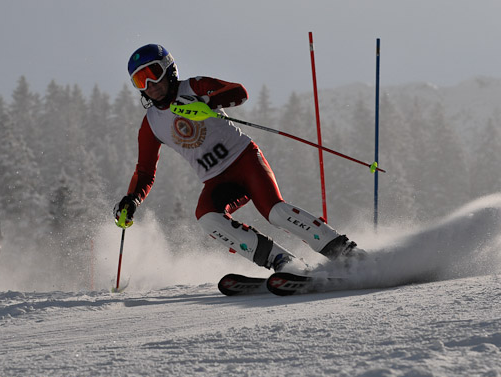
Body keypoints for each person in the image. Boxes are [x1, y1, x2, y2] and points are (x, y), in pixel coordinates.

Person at [114, 44, 362, 272]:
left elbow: (239, 92)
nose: (151, 84)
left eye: (154, 73)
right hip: (216, 180)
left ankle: (346, 253)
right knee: (207, 217)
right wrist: (131, 200)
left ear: (169, 68)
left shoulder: (194, 86)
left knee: (275, 212)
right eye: (140, 80)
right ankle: (284, 263)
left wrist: (206, 101)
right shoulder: (151, 125)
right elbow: (145, 172)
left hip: (245, 160)